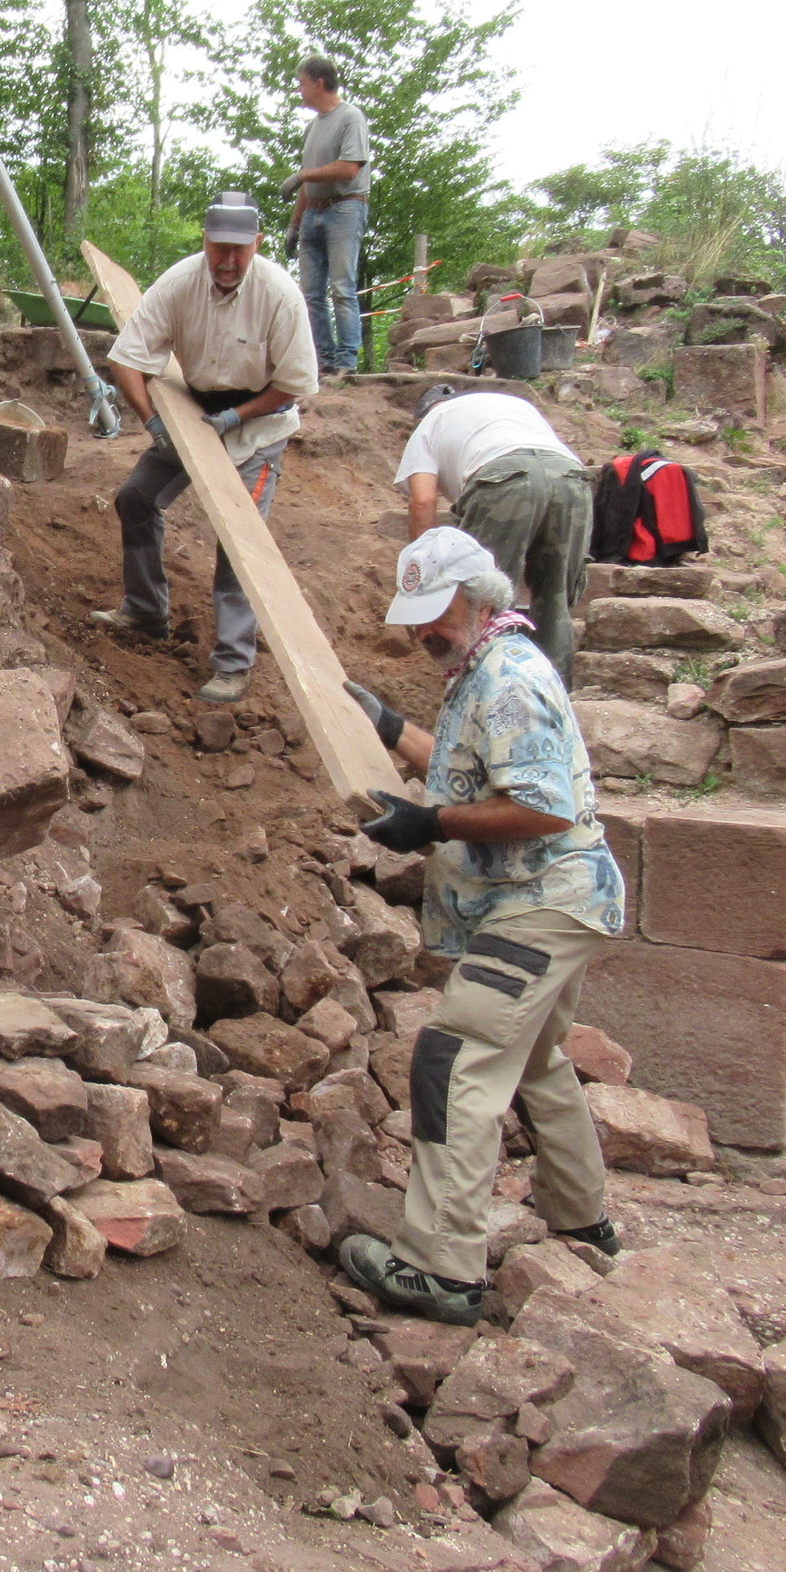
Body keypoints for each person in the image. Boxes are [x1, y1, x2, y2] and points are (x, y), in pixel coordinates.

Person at [337, 527, 626, 1326]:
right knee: (533, 1056)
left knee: (452, 1058)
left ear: (477, 596)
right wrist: (391, 728)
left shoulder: (507, 679)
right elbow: (480, 769)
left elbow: (541, 806)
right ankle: (582, 1218)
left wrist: (430, 825)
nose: (423, 631)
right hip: (560, 898)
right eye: (416, 617)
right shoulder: (486, 666)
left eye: (436, 612)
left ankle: (441, 1267)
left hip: (541, 901)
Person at [89, 192, 317, 705]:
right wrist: (153, 422)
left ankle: (233, 663)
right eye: (220, 248)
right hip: (193, 416)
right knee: (136, 498)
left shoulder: (280, 296)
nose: (229, 260)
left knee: (240, 541)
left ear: (257, 244)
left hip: (258, 427)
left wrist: (238, 416)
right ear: (205, 242)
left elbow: (295, 384)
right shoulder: (180, 283)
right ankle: (146, 610)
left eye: (240, 249)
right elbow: (125, 358)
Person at [393, 384, 592, 686]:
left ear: (422, 415)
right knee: (556, 600)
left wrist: (428, 572)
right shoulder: (512, 405)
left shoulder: (428, 426)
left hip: (503, 480)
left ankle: (485, 691)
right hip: (570, 478)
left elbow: (422, 501)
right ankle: (552, 695)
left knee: (481, 599)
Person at [279, 58, 372, 381]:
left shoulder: (350, 117)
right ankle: (323, 361)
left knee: (342, 287)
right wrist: (294, 225)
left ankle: (346, 361)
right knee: (310, 293)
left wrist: (302, 175)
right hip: (313, 212)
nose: (299, 89)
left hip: (345, 209)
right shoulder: (312, 127)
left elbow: (349, 168)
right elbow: (309, 182)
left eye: (301, 82)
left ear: (319, 83)